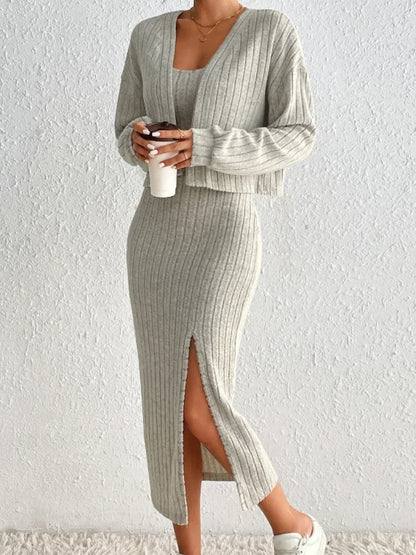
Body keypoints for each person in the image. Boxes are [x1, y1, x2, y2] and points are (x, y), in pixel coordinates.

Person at [114, 2, 328, 554]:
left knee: (199, 404)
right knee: (169, 407)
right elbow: (124, 128)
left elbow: (298, 134)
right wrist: (135, 141)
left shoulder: (269, 31)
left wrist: (204, 145)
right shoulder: (148, 34)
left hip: (225, 230)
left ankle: (293, 523)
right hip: (155, 234)